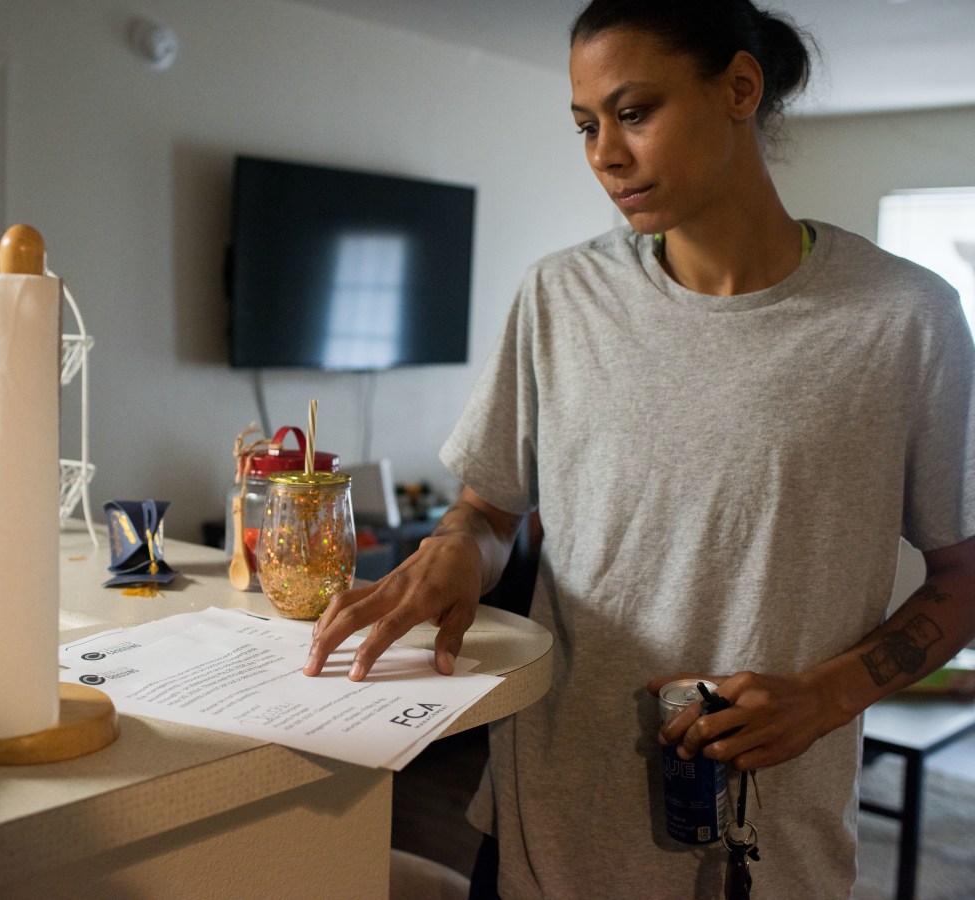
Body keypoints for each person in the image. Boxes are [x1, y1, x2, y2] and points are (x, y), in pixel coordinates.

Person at [303, 0, 975, 896]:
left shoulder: (904, 318)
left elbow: (962, 576)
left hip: (767, 851)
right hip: (544, 829)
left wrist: (828, 695)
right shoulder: (558, 297)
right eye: (586, 126)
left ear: (739, 87)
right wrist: (458, 546)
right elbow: (490, 507)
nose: (605, 155)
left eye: (634, 112)